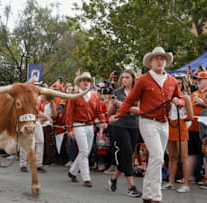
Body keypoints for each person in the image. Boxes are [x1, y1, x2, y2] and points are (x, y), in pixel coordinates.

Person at [110, 47, 184, 203]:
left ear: (166, 62)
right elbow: (130, 100)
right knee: (157, 156)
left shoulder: (171, 81)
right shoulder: (143, 80)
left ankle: (147, 194)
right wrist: (118, 114)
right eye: (156, 58)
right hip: (148, 121)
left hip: (164, 123)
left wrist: (179, 101)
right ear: (150, 62)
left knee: (156, 159)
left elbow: (180, 97)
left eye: (162, 58)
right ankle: (156, 197)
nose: (160, 61)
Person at [65, 72, 107, 187]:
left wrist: (103, 121)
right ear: (79, 82)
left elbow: (99, 112)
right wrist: (70, 130)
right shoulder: (74, 95)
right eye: (84, 80)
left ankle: (72, 171)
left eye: (88, 81)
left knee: (86, 152)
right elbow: (69, 113)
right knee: (84, 151)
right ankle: (86, 178)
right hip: (78, 125)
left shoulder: (94, 96)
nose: (86, 82)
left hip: (90, 126)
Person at [107, 69, 142, 197]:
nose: (124, 79)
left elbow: (140, 110)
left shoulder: (138, 93)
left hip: (134, 125)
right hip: (119, 125)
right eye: (123, 77)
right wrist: (113, 104)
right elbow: (110, 112)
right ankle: (131, 186)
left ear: (133, 79)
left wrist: (123, 105)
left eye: (127, 77)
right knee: (127, 152)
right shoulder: (117, 92)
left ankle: (113, 179)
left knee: (127, 155)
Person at [162, 75, 193, 193]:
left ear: (183, 85)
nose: (177, 86)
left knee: (184, 156)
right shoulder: (168, 98)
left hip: (181, 126)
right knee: (172, 156)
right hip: (170, 125)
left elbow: (190, 116)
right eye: (175, 84)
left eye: (179, 84)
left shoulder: (185, 98)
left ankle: (186, 184)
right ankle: (171, 181)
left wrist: (181, 121)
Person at [188, 71, 207, 184]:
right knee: (192, 152)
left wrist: (203, 103)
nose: (198, 81)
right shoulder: (194, 93)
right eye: (197, 80)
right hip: (193, 128)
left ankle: (205, 177)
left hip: (205, 129)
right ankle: (189, 176)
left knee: (206, 152)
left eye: (201, 79)